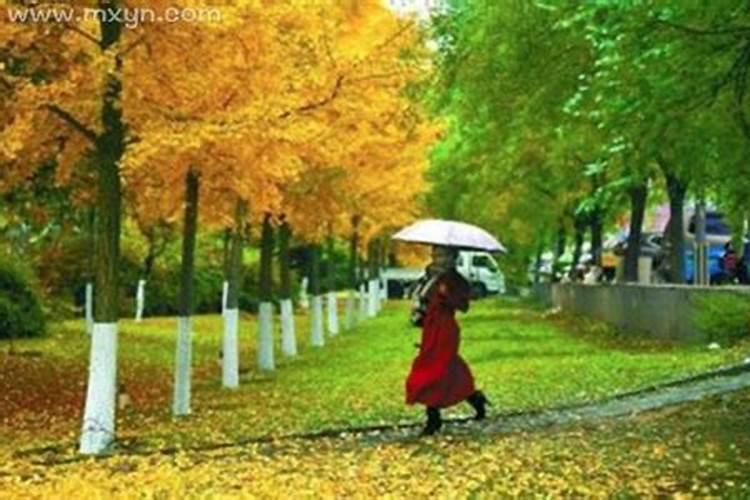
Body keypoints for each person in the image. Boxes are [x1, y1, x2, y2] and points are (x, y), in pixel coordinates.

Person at [406, 245, 489, 436]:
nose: (437, 258)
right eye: (435, 254)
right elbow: (422, 298)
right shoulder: (429, 276)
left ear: (453, 258)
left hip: (446, 330)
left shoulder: (456, 280)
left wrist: (447, 295)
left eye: (442, 255)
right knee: (448, 370)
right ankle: (476, 399)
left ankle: (433, 420)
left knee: (433, 371)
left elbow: (464, 306)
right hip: (429, 328)